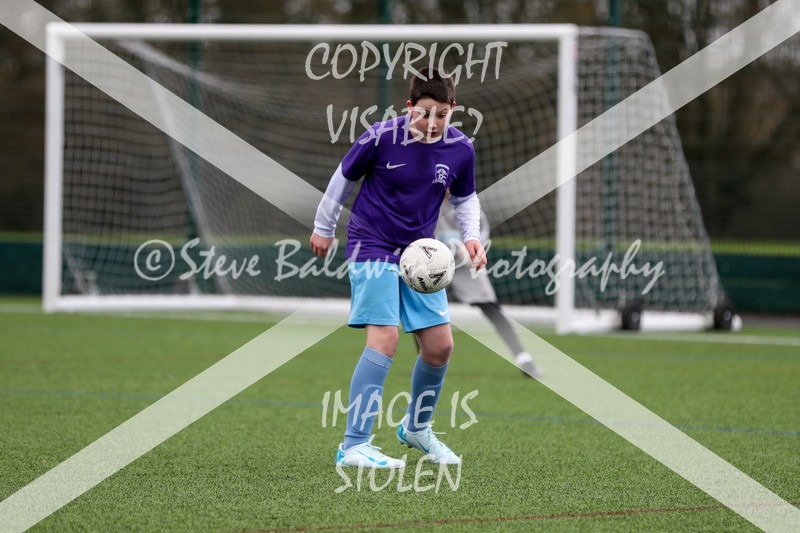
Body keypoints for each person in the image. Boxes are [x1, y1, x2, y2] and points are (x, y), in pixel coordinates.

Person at [310, 68, 486, 469]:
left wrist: (471, 236)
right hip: (371, 244)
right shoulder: (379, 137)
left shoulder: (461, 148)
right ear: (409, 108)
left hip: (420, 254)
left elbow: (465, 199)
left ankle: (417, 429)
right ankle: (354, 445)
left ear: (453, 110)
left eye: (442, 114)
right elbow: (342, 179)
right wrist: (323, 227)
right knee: (385, 338)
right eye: (425, 113)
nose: (433, 122)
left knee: (440, 347)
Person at [436, 207, 544, 379]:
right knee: (424, 308)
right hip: (435, 263)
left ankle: (524, 360)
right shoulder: (427, 197)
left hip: (465, 265)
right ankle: (427, 362)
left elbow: (481, 231)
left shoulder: (467, 204)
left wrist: (469, 248)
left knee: (492, 309)